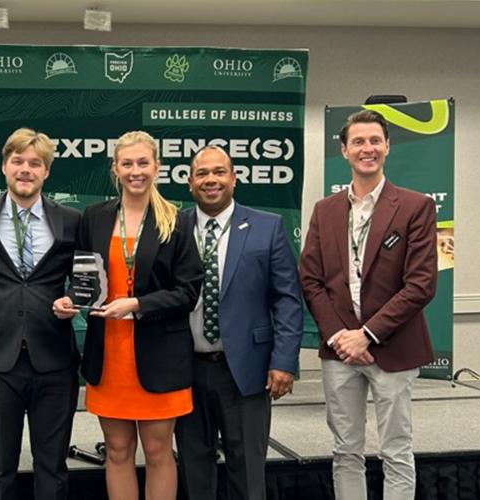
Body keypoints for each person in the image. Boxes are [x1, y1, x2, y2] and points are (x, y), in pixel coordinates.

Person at [53, 130, 203, 500]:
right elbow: (86, 280)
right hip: (109, 358)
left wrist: (137, 305)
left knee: (157, 452)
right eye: (127, 164)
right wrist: (70, 300)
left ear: (157, 167)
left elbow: (188, 291)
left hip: (160, 358)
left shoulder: (177, 221)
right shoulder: (94, 218)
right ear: (115, 169)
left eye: (143, 163)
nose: (135, 171)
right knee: (118, 453)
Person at [300, 109, 438, 500]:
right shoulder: (324, 211)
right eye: (358, 141)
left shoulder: (415, 207)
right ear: (343, 150)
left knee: (396, 450)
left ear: (388, 147)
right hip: (340, 351)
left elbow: (422, 283)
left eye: (375, 141)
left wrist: (368, 335)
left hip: (393, 348)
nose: (368, 149)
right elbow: (310, 279)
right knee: (345, 451)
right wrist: (342, 337)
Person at [173, 145, 303, 500]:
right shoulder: (172, 226)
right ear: (189, 182)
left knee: (247, 471)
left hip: (247, 369)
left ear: (234, 178)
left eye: (218, 172)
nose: (210, 180)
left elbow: (288, 299)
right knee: (194, 469)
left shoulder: (268, 226)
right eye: (202, 173)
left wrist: (283, 361)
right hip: (186, 369)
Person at [0, 128, 81, 500]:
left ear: (46, 172)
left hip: (55, 358)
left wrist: (73, 297)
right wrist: (4, 301)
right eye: (18, 161)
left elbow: (88, 275)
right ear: (4, 167)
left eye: (35, 163)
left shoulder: (71, 220)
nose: (25, 169)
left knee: (53, 465)